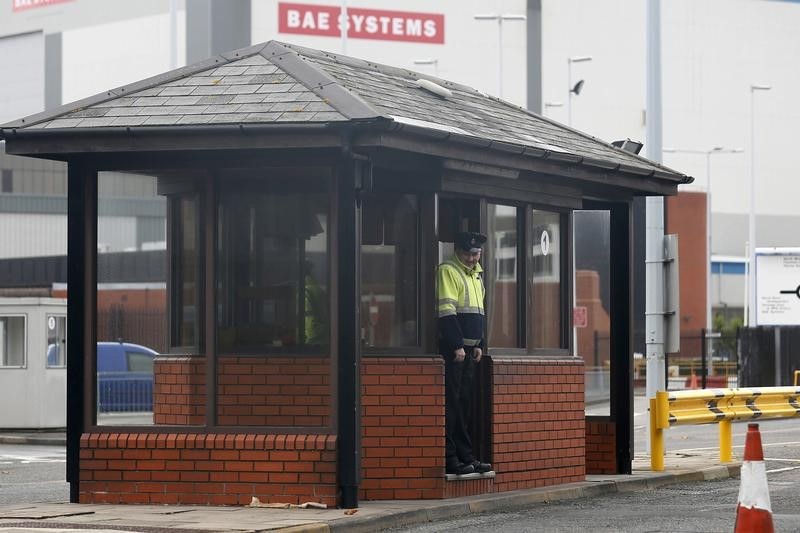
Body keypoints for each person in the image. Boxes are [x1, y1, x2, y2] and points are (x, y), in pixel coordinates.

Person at [437, 231, 493, 475]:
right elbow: (446, 311)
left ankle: (466, 456)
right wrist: (456, 345)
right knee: (452, 406)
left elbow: (479, 312)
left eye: (476, 254)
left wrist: (479, 344)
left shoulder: (477, 274)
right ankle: (451, 459)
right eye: (468, 254)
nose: (472, 258)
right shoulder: (449, 271)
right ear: (457, 251)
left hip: (470, 351)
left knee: (464, 405)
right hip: (455, 351)